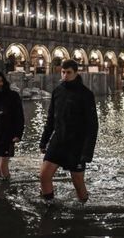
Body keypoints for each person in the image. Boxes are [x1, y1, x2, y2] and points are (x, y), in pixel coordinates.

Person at [38, 59, 99, 203]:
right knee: (44, 175)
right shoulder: (57, 91)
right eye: (63, 72)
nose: (65, 75)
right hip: (58, 140)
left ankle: (83, 208)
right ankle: (49, 204)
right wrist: (44, 140)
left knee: (77, 182)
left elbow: (92, 126)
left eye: (68, 73)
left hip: (76, 144)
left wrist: (87, 152)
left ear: (76, 73)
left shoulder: (86, 94)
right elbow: (51, 119)